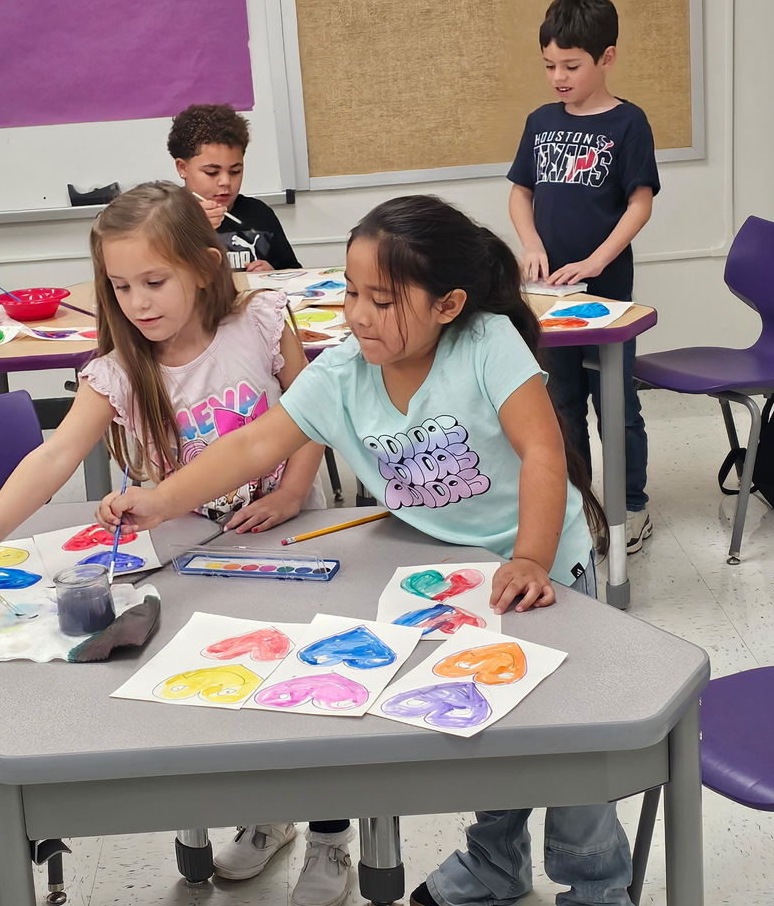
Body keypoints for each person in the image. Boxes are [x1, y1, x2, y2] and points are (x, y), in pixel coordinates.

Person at [98, 195, 632, 906]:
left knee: (567, 745)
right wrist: (161, 498)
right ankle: (496, 864)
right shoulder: (345, 371)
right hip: (449, 576)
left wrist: (530, 557)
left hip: (542, 563)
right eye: (352, 293)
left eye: (381, 299)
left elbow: (542, 452)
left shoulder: (487, 341)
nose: (357, 315)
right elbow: (258, 442)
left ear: (448, 306)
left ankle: (597, 886)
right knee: (489, 723)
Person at [0, 180, 325, 568]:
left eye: (155, 282)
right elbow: (55, 455)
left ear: (205, 268)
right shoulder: (117, 373)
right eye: (121, 287)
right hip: (193, 543)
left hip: (295, 526)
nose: (138, 303)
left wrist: (291, 494)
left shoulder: (259, 322)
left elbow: (310, 414)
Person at [508, 0, 660, 555]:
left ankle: (631, 506)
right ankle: (577, 503)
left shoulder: (628, 123)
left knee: (616, 404)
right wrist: (530, 244)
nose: (558, 77)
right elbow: (521, 194)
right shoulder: (541, 121)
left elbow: (639, 204)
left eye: (571, 66)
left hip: (607, 298)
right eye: (550, 65)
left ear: (607, 57)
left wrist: (596, 262)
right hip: (547, 298)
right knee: (559, 404)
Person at [168, 103, 301, 272]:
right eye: (211, 172)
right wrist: (193, 227)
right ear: (182, 168)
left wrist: (273, 273)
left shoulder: (259, 214)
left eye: (235, 171)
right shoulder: (166, 217)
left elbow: (294, 273)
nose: (225, 181)